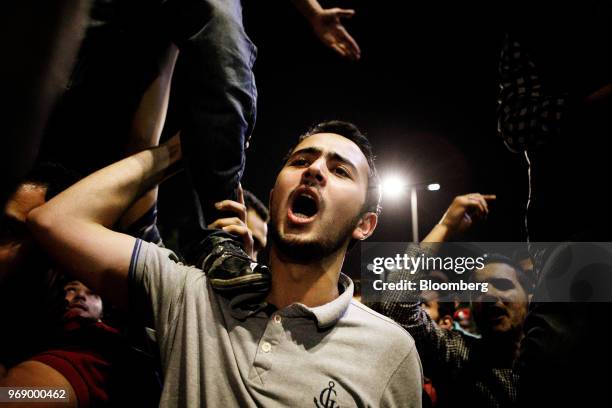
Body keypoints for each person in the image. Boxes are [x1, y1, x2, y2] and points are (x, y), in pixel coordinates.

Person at [27, 120, 423, 407]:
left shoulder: (391, 352)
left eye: (339, 170)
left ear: (364, 224)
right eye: (302, 160)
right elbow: (54, 220)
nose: (314, 170)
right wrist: (178, 151)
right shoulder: (189, 295)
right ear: (274, 196)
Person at [372, 193, 530, 407]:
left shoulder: (553, 358)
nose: (489, 295)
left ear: (529, 297)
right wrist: (445, 225)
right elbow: (397, 304)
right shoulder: (458, 355)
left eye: (503, 285)